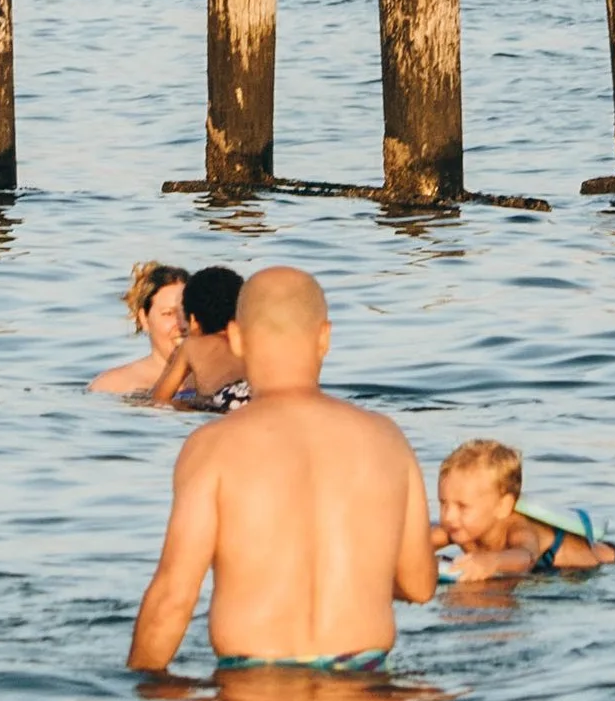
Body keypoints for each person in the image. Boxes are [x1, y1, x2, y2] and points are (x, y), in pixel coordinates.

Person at [128, 265, 437, 670]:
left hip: (253, 694)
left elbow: (173, 598)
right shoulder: (387, 439)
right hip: (365, 688)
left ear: (236, 338)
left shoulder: (213, 447)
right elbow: (419, 585)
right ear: (324, 337)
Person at [437, 439, 615, 581]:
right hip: (542, 573)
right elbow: (419, 537)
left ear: (502, 507)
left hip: (595, 565)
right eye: (443, 503)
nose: (449, 516)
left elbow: (525, 557)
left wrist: (489, 562)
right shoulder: (457, 526)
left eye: (462, 507)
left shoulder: (518, 528)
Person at [143, 265, 248, 410]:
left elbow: (160, 398)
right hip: (254, 394)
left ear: (192, 320)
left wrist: (189, 406)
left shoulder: (191, 345)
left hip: (224, 400)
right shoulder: (249, 340)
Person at [90, 261, 189, 396]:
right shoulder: (112, 385)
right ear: (144, 319)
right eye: (168, 313)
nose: (182, 324)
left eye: (188, 312)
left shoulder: (221, 378)